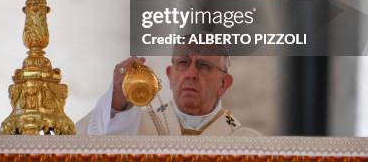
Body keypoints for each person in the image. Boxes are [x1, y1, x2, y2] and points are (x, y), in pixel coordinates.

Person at [76, 46, 261, 136]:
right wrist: (117, 100)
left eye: (204, 66)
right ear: (170, 76)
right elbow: (86, 144)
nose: (191, 74)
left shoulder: (245, 142)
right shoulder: (134, 125)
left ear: (224, 84)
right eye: (183, 63)